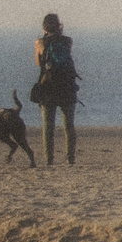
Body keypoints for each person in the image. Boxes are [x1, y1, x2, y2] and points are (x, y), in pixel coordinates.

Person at [30, 13, 79, 165]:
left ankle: (49, 160)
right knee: (69, 126)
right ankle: (70, 159)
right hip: (67, 88)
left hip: (48, 88)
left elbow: (39, 63)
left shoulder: (40, 42)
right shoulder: (68, 41)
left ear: (44, 26)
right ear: (59, 25)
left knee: (48, 127)